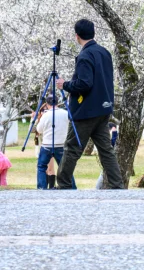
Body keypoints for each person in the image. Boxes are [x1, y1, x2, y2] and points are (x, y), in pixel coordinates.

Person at [54, 19, 125, 189]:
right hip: (103, 108)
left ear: (77, 36)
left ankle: (63, 184)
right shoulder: (104, 52)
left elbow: (85, 84)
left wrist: (65, 85)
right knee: (106, 150)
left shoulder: (85, 56)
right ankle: (117, 185)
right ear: (93, 33)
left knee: (72, 148)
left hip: (86, 111)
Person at [35, 96, 74, 189]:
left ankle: (42, 188)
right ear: (57, 102)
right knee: (66, 168)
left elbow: (39, 130)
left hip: (47, 145)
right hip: (62, 144)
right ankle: (72, 187)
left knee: (41, 166)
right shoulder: (65, 113)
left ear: (47, 104)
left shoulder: (46, 115)